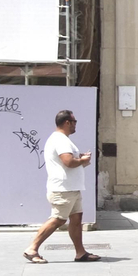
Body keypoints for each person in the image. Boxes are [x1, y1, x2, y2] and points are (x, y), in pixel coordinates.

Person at [24, 109, 99, 264]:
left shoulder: (62, 139)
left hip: (71, 188)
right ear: (67, 122)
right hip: (63, 189)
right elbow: (68, 162)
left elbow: (68, 163)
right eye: (74, 121)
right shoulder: (61, 140)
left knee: (76, 219)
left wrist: (80, 161)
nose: (75, 124)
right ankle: (32, 248)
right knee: (58, 219)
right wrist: (83, 161)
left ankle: (80, 253)